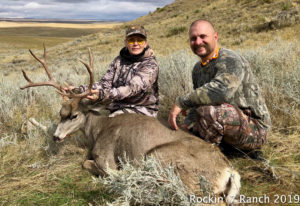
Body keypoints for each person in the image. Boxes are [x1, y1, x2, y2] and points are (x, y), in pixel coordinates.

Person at [168, 19, 271, 153]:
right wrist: (187, 125)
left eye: (203, 36)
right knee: (198, 117)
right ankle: (222, 147)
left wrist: (181, 102)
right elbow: (199, 102)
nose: (198, 42)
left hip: (255, 129)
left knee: (209, 113)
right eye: (193, 38)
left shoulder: (229, 59)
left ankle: (211, 155)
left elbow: (221, 91)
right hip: (228, 124)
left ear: (215, 37)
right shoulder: (197, 69)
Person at [72, 25, 159, 117]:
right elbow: (104, 84)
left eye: (140, 40)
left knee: (109, 124)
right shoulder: (119, 60)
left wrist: (101, 94)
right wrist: (78, 90)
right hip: (117, 105)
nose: (135, 43)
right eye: (131, 40)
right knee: (84, 111)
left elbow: (131, 89)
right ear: (126, 43)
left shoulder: (150, 65)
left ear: (145, 43)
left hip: (141, 109)